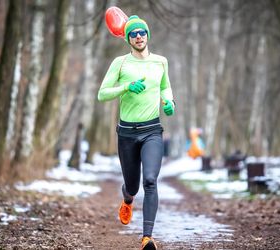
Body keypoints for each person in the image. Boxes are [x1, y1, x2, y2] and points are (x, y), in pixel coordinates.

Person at [98, 15, 175, 250]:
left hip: (152, 130)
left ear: (148, 35)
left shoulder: (161, 62)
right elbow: (102, 94)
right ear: (128, 38)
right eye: (133, 33)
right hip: (127, 134)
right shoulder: (120, 63)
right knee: (132, 185)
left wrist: (169, 101)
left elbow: (165, 86)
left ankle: (147, 238)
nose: (138, 36)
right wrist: (126, 87)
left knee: (150, 180)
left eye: (142, 32)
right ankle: (127, 198)